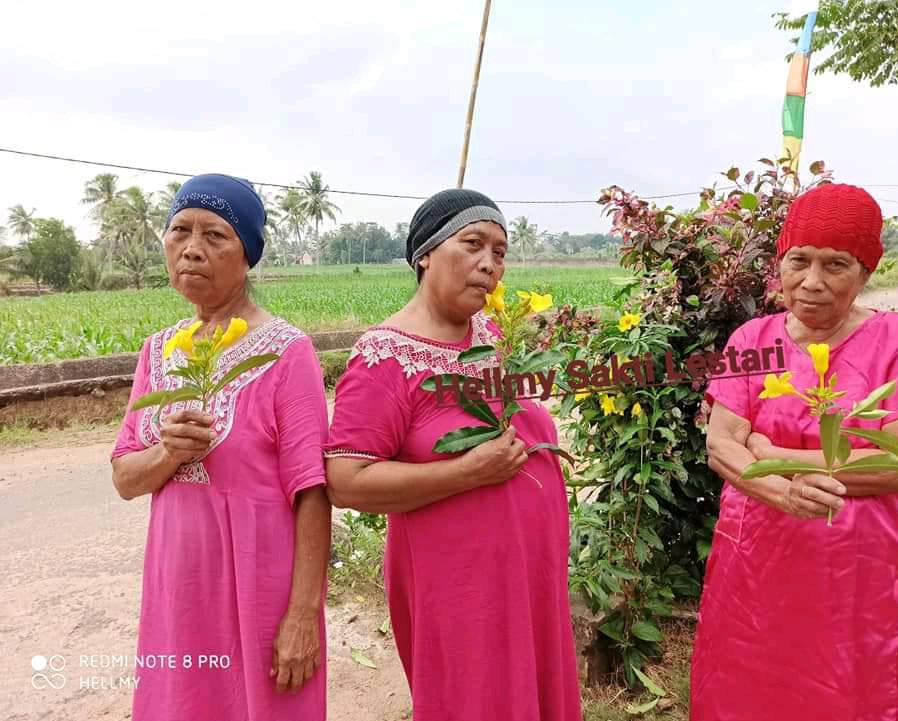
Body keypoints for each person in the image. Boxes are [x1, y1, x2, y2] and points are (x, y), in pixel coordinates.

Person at [690, 183, 898, 721]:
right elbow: (721, 443)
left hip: (853, 571)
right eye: (799, 260)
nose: (812, 281)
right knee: (744, 688)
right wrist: (781, 491)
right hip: (754, 565)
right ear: (780, 263)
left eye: (836, 264)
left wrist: (775, 454)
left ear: (866, 272)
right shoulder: (752, 340)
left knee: (847, 693)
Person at [324, 189, 582, 721]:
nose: (489, 264)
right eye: (472, 244)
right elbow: (346, 480)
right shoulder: (384, 358)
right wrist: (466, 473)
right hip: (460, 585)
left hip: (528, 572)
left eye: (500, 252)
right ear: (425, 254)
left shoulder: (490, 336)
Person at [110, 173, 331, 721]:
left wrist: (303, 614)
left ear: (247, 254)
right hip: (178, 594)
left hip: (260, 594)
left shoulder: (286, 352)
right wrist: (167, 452)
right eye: (179, 230)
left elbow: (312, 491)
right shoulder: (158, 351)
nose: (192, 248)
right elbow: (125, 478)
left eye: (215, 235)